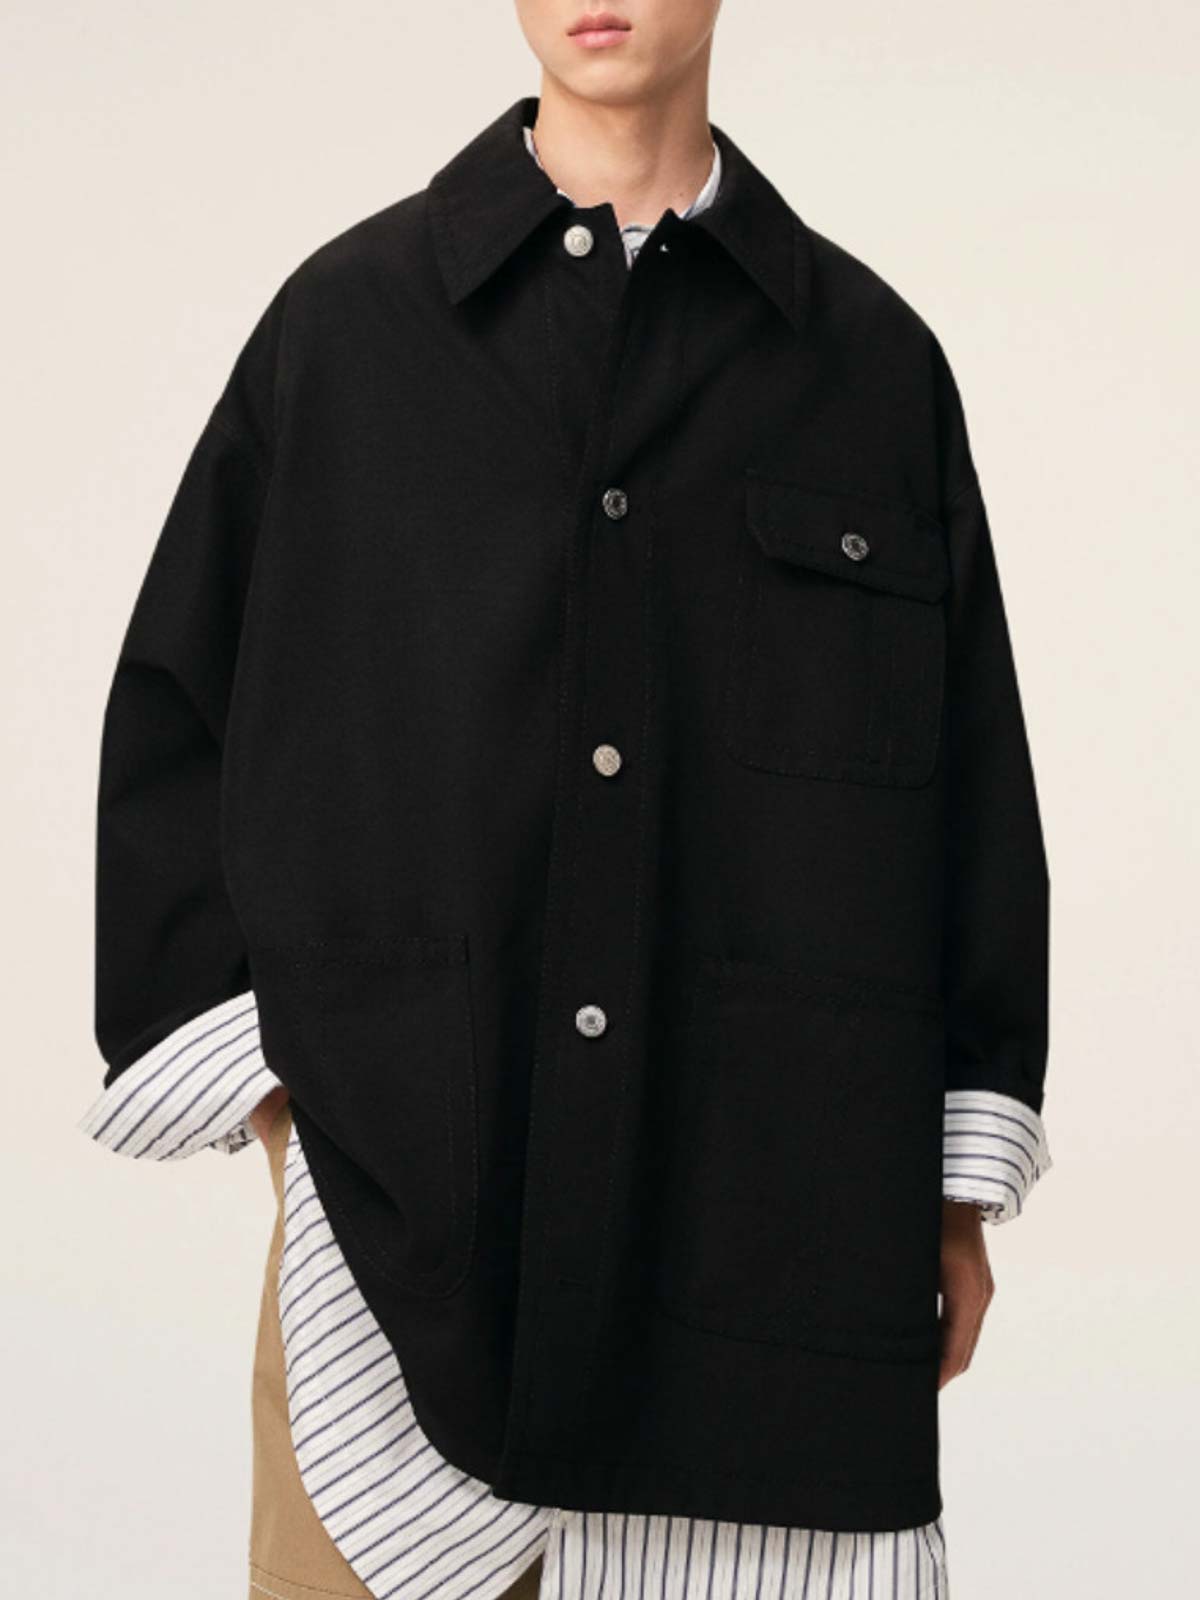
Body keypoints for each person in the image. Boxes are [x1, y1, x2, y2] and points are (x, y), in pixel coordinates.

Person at [78, 4, 1053, 1597]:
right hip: (390, 1293)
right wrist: (287, 1110)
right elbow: (178, 726)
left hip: (766, 1294)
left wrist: (953, 1183)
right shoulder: (348, 334)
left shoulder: (871, 369)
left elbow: (970, 807)